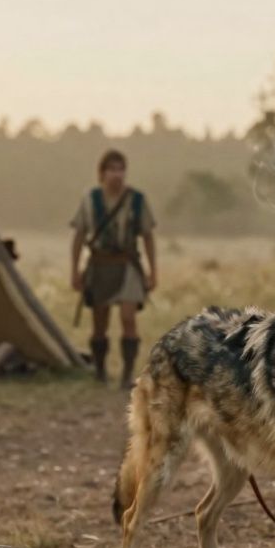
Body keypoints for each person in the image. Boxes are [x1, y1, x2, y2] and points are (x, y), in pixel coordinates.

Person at [70, 149, 157, 389]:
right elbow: (79, 235)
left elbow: (148, 236)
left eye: (121, 169)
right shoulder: (90, 199)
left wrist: (153, 271)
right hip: (99, 265)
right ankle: (100, 370)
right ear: (102, 173)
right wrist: (75, 271)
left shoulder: (136, 200)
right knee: (100, 322)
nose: (117, 174)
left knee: (128, 318)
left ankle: (128, 374)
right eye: (111, 169)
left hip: (127, 264)